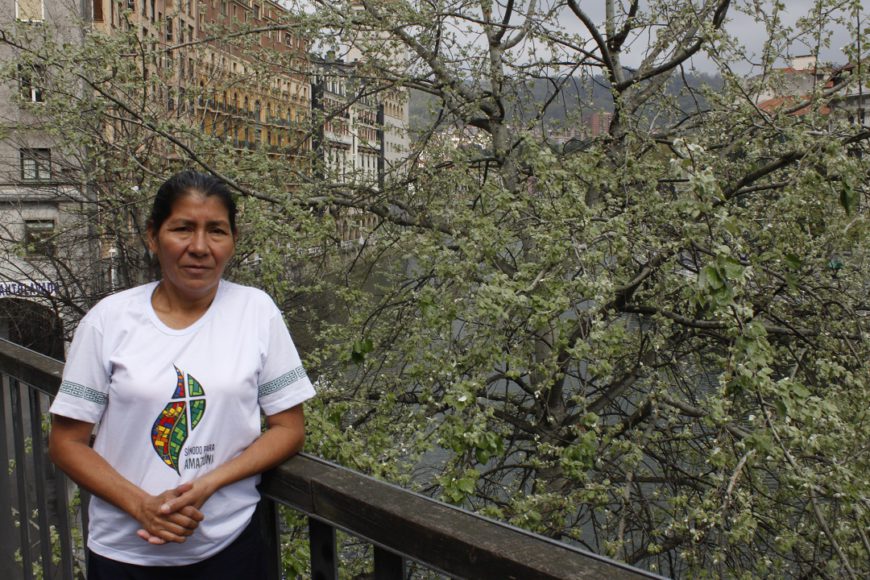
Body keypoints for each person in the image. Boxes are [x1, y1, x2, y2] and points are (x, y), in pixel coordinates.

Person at [48, 170, 315, 579]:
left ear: (233, 240)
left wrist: (210, 483)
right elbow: (67, 443)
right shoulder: (109, 321)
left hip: (229, 545)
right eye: (183, 229)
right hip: (126, 554)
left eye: (217, 231)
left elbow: (288, 428)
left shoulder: (256, 312)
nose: (200, 247)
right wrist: (142, 506)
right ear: (154, 236)